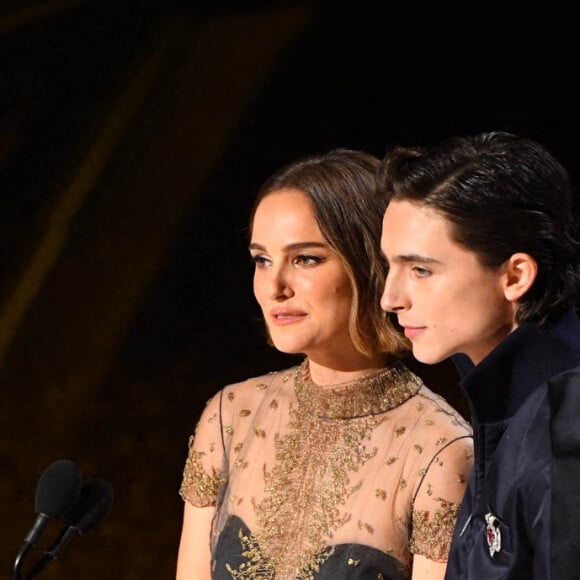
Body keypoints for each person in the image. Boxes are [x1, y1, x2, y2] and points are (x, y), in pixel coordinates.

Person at [175, 149, 473, 579]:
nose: (274, 286)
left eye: (305, 259)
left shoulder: (440, 451)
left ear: (370, 264)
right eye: (262, 260)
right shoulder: (230, 416)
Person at [377, 131, 580, 579]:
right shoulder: (511, 401)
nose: (390, 298)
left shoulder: (565, 428)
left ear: (515, 276)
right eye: (389, 265)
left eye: (421, 270)